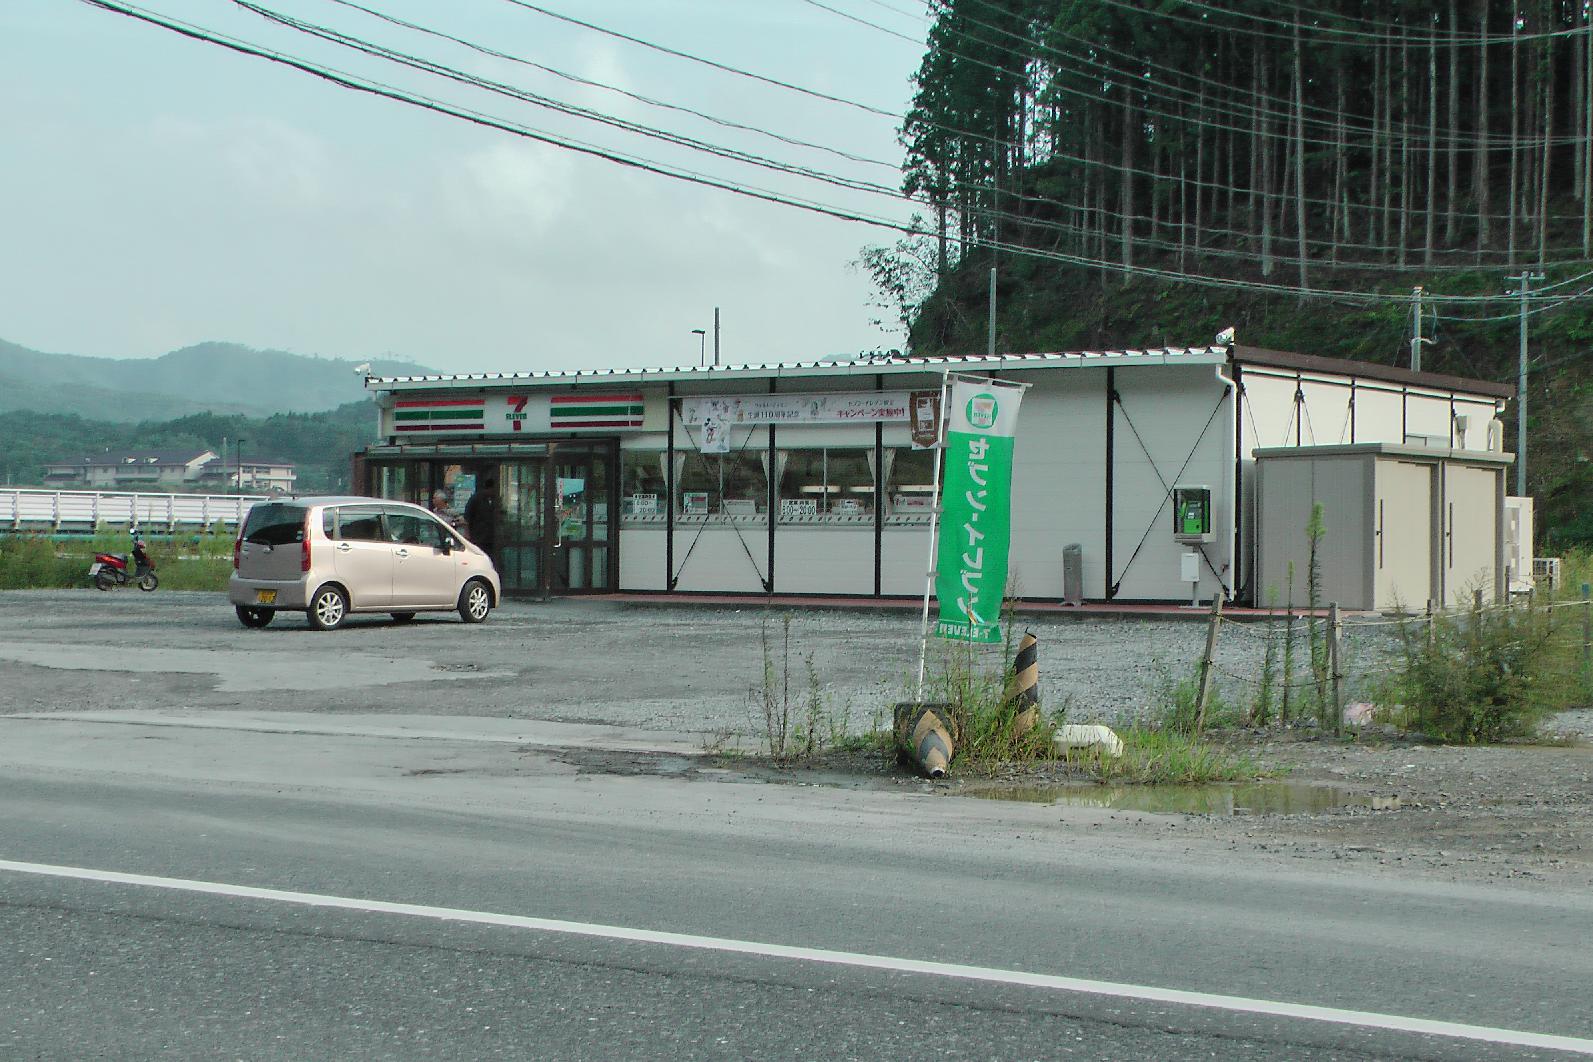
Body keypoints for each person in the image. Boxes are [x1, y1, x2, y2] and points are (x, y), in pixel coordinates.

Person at [463, 477, 498, 561]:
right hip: (479, 537)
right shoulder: (476, 499)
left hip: (491, 537)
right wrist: (467, 534)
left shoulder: (495, 500)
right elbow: (467, 517)